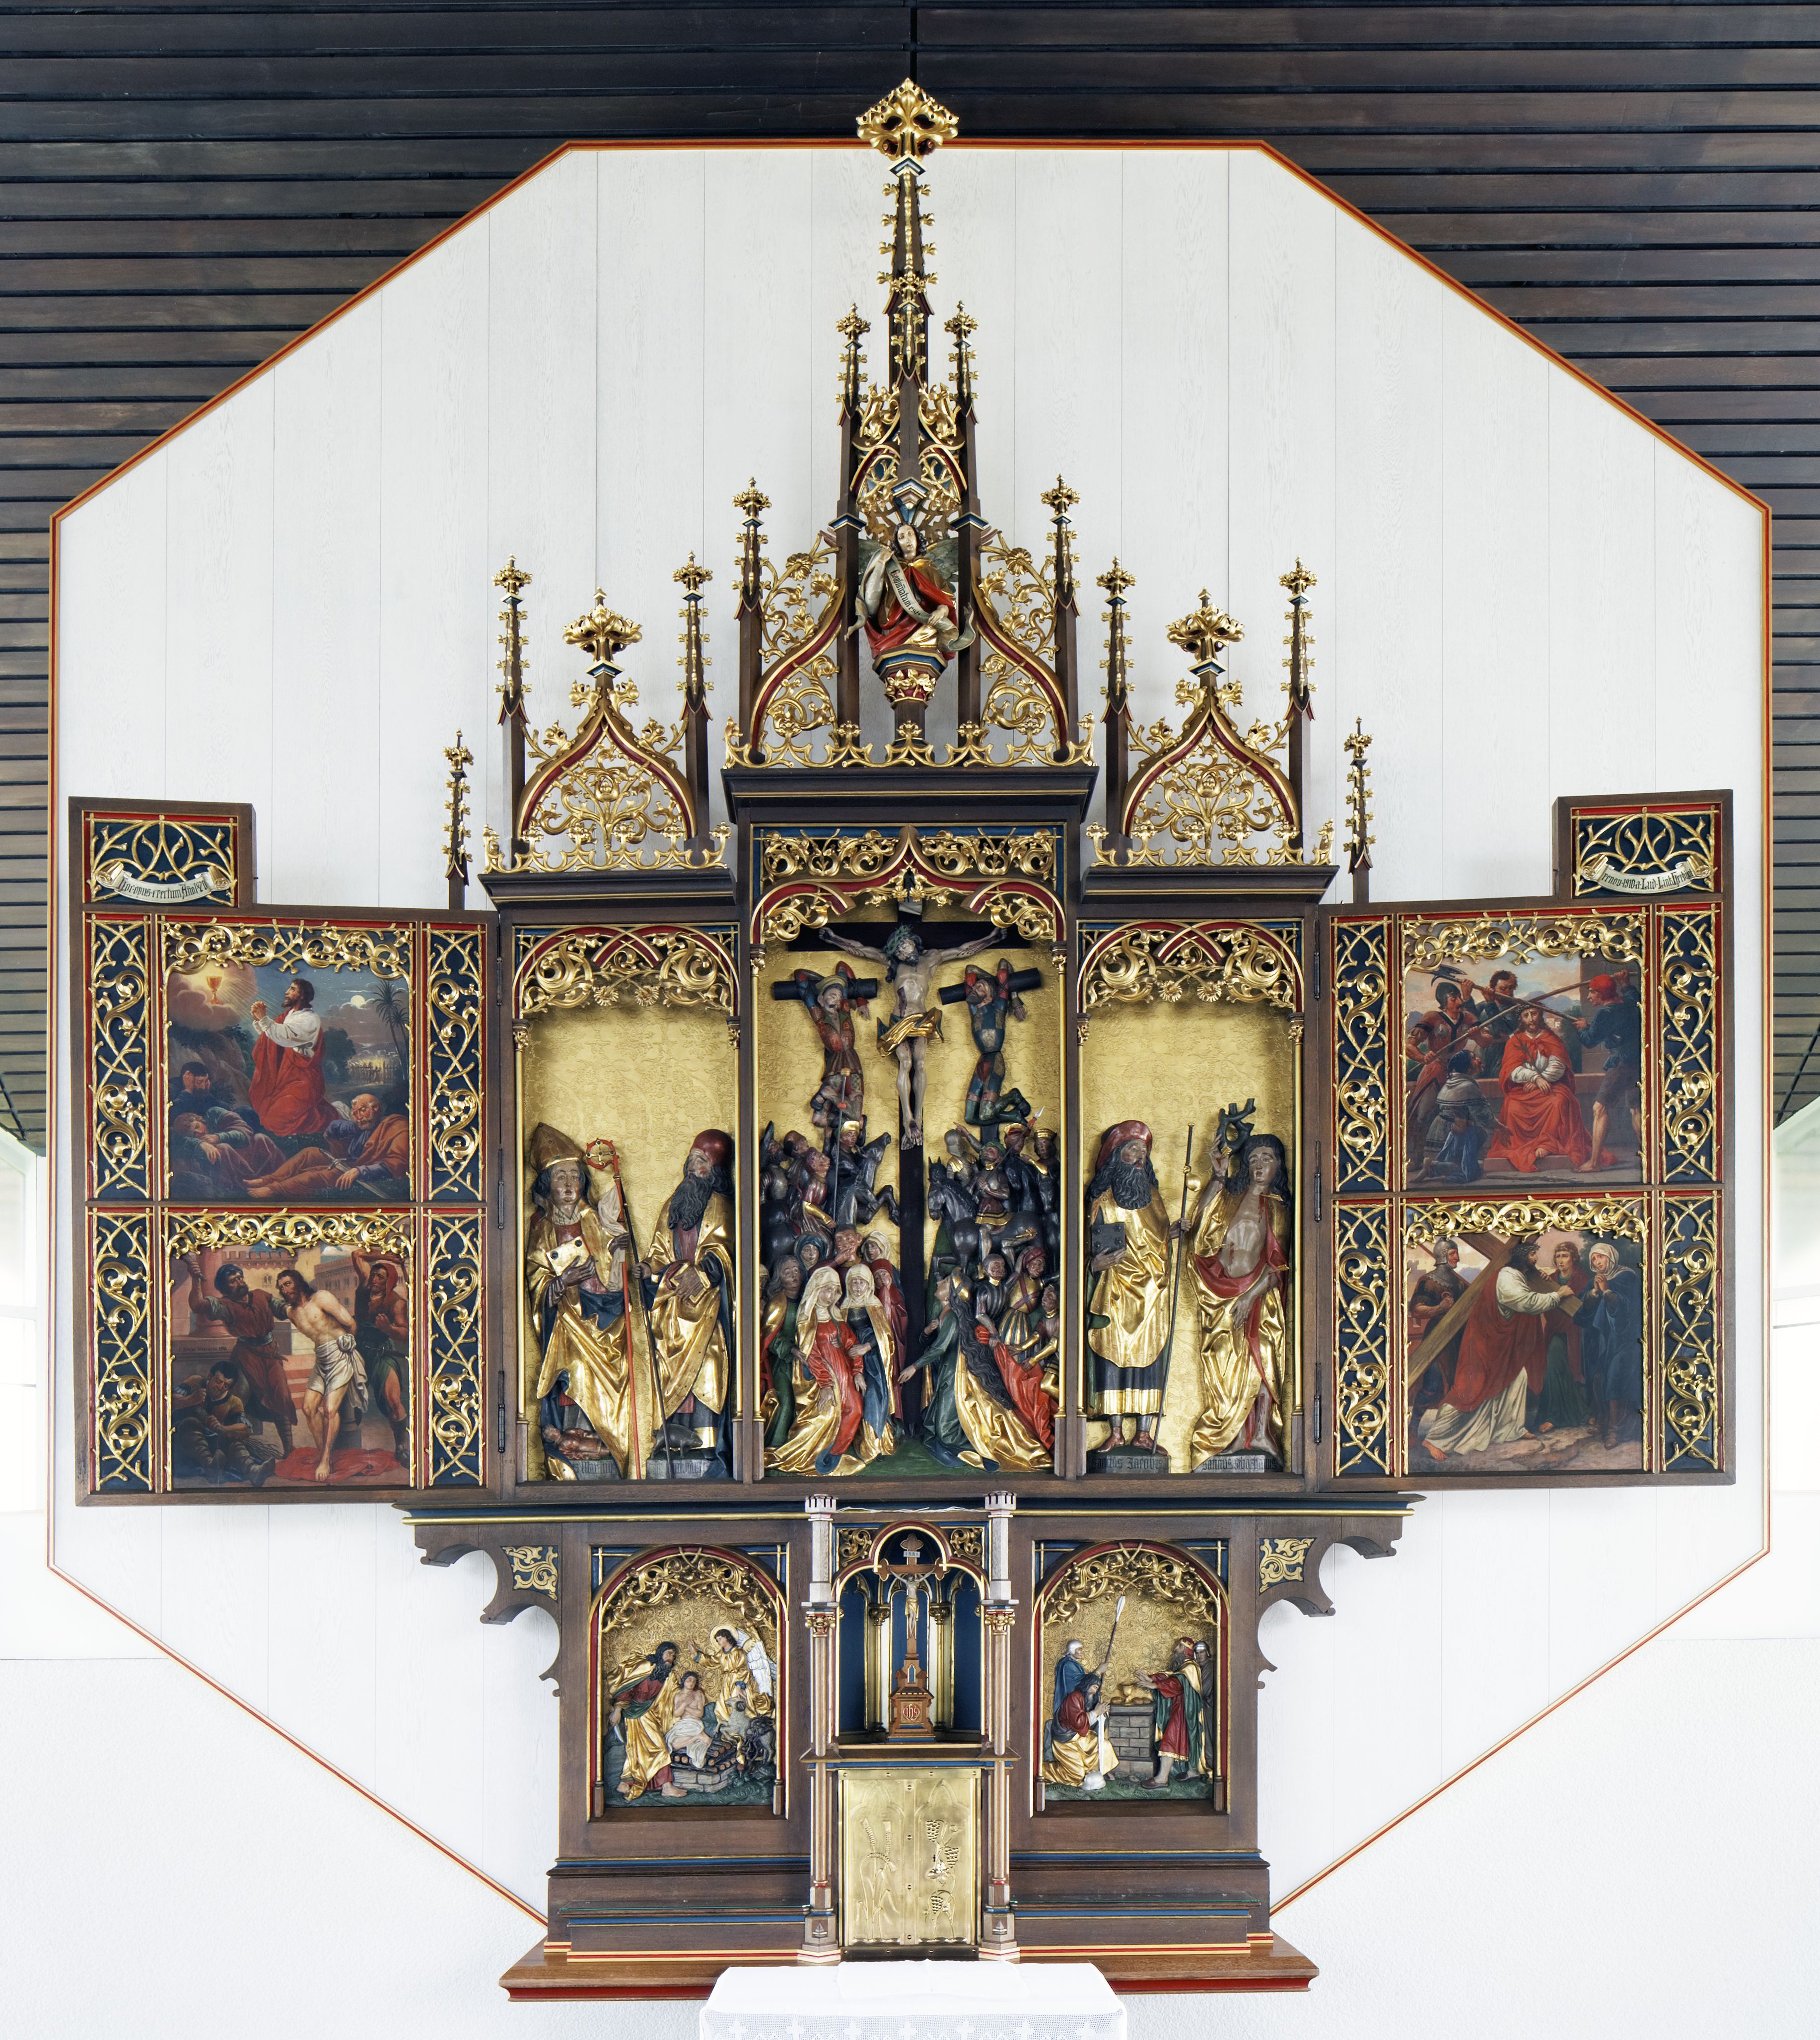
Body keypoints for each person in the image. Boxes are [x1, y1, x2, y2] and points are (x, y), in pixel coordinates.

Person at [525, 1128, 657, 1480]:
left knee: (615, 1377)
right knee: (576, 1371)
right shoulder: (542, 1228)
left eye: (574, 1176)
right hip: (569, 1319)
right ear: (548, 1184)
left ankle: (609, 1447)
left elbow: (614, 1271)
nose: (569, 1184)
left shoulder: (596, 1219)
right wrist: (562, 1281)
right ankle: (574, 1445)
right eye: (560, 1177)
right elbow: (536, 1281)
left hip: (608, 1314)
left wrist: (620, 1253)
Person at [822, 916, 997, 1149]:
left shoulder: (931, 959)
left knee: (921, 1062)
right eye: (899, 952)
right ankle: (908, 1118)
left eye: (905, 946)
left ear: (913, 942)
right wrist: (835, 939)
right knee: (905, 1062)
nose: (903, 953)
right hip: (899, 1020)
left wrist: (991, 939)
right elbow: (863, 951)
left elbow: (961, 951)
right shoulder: (894, 964)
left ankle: (919, 1117)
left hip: (922, 1020)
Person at [1184, 1131, 1294, 1467]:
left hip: (1259, 1293)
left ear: (1279, 1166)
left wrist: (1251, 1297)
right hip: (1219, 1292)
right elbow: (1197, 1226)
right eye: (1254, 1159)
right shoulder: (1231, 1198)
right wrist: (1218, 1177)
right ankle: (1231, 1436)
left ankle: (1260, 1433)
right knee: (1222, 1365)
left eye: (1267, 1159)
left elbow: (1279, 1264)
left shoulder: (1278, 1207)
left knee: (1261, 1360)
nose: (1260, 1165)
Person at [1416, 1238, 1576, 1462]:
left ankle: (1510, 1428)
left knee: (1519, 1377)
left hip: (1503, 1342)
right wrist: (1557, 1295)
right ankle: (1435, 1438)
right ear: (1522, 1258)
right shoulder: (1507, 1277)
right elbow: (1525, 1302)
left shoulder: (1519, 1275)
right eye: (1532, 1255)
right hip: (1486, 1342)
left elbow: (1528, 1290)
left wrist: (1542, 1279)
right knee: (1471, 1390)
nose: (1536, 1259)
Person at [642, 1131, 737, 1463]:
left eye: (703, 1162)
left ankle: (706, 1439)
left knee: (709, 1360)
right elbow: (659, 1249)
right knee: (663, 1361)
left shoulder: (720, 1205)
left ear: (714, 1171)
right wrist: (646, 1268)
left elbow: (725, 1251)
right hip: (670, 1300)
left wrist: (704, 1272)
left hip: (705, 1300)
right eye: (693, 1159)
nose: (694, 1167)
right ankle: (669, 1435)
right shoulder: (674, 1204)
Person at [1085, 1122, 1178, 1453]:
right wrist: (1094, 1266)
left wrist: (1173, 1234)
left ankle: (1144, 1432)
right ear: (1116, 1155)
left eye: (1144, 1151)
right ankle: (1115, 1432)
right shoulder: (1101, 1200)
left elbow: (1159, 1240)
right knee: (1112, 1355)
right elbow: (1084, 1248)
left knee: (1149, 1360)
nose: (1140, 1157)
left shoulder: (1153, 1197)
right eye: (1133, 1149)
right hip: (1114, 1289)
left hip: (1152, 1292)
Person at [180, 1256, 297, 1458]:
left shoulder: (261, 1296)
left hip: (270, 1355)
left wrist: (299, 1308)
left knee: (282, 1396)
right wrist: (196, 1279)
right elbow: (198, 1305)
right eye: (233, 1281)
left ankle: (289, 1449)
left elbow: (284, 1309)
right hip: (246, 1357)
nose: (240, 1282)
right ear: (225, 1288)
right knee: (236, 1399)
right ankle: (226, 1449)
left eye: (240, 1278)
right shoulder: (225, 1306)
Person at [765, 1266, 867, 1477]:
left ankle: (835, 1453)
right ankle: (810, 1454)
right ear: (816, 1289)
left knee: (855, 1409)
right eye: (827, 1290)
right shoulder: (807, 1319)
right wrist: (826, 1385)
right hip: (822, 1376)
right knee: (825, 1414)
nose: (831, 1296)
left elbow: (852, 1343)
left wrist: (858, 1371)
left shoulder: (836, 1317)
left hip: (843, 1372)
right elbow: (811, 1354)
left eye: (834, 1291)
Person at [273, 1266, 367, 1485]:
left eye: (288, 1284)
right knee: (308, 1408)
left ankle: (325, 1460)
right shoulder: (292, 1313)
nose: (285, 1290)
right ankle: (321, 1451)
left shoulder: (322, 1298)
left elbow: (351, 1324)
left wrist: (349, 1342)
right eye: (281, 1287)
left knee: (330, 1410)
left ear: (298, 1282)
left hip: (339, 1355)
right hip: (321, 1359)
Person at [242, 1091, 409, 1200]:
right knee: (309, 1153)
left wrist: (360, 1171)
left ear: (376, 1107)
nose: (359, 1117)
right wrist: (354, 1127)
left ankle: (275, 1189)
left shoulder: (396, 1126)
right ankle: (268, 1179)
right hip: (349, 1163)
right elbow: (333, 1130)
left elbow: (398, 1164)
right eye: (355, 1114)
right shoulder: (363, 1126)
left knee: (315, 1177)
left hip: (359, 1170)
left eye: (363, 1110)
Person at [857, 512, 974, 666]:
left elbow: (946, 597)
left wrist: (941, 611)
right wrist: (880, 564)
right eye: (902, 537)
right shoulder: (891, 569)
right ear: (897, 544)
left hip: (925, 626)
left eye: (910, 534)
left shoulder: (928, 568)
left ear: (917, 538)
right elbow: (872, 607)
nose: (907, 540)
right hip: (894, 626)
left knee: (933, 629)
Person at [1488, 1003, 1592, 1172]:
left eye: (1534, 1014)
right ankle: (1521, 1145)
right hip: (1524, 1089)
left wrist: (1543, 1079)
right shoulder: (1515, 1041)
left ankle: (1547, 1143)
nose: (1531, 1019)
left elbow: (1559, 1066)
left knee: (1559, 1102)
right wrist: (1535, 1078)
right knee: (1513, 1107)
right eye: (1526, 1015)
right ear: (1521, 1020)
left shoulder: (1551, 1039)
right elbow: (1512, 1070)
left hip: (1550, 1086)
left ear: (1540, 1015)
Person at [247, 975, 336, 1139]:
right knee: (264, 1113)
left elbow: (285, 1036)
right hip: (285, 1076)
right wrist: (260, 1021)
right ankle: (317, 1113)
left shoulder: (310, 1019)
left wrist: (265, 1019)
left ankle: (328, 1119)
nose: (287, 992)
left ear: (302, 996)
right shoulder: (289, 1015)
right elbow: (272, 1038)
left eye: (293, 989)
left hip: (303, 1078)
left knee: (275, 1121)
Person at [1573, 973, 1643, 1172]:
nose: (1589, 997)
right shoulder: (1629, 1003)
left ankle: (1594, 1163)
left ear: (1602, 993)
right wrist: (1626, 983)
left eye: (1593, 992)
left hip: (1621, 1064)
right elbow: (1632, 995)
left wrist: (1582, 1028)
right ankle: (1650, 1155)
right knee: (1636, 1110)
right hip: (1638, 1063)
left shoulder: (1605, 1013)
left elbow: (1590, 1041)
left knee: (1599, 1109)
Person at [1580, 1241, 1644, 1448]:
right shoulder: (1596, 1281)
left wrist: (1607, 1291)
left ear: (1611, 1257)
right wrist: (1593, 1294)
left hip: (1624, 1340)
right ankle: (1604, 1420)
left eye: (1601, 1257)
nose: (1598, 1262)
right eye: (1594, 1259)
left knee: (1616, 1379)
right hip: (1602, 1341)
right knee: (1599, 1378)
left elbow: (1630, 1309)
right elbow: (1582, 1312)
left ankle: (1616, 1430)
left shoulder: (1627, 1277)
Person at [959, 959, 1034, 1131]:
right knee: (970, 1117)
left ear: (990, 995)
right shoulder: (973, 1008)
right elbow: (970, 969)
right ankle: (1013, 1116)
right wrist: (989, 982)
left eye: (980, 987)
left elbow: (1004, 964)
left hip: (995, 1061)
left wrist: (1014, 998)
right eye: (975, 986)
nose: (975, 989)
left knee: (986, 1115)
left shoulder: (999, 1006)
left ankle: (1013, 1096)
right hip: (982, 1061)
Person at [171, 1361, 275, 1486]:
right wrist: (190, 1400)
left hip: (215, 1445)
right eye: (218, 1382)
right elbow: (169, 1402)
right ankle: (210, 1467)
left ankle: (253, 1471)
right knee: (191, 1422)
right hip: (185, 1441)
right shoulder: (195, 1382)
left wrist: (223, 1428)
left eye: (226, 1385)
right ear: (210, 1376)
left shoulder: (234, 1402)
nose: (221, 1387)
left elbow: (245, 1429)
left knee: (233, 1440)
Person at [351, 1249, 410, 1465]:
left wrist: (389, 1329)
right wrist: (389, 1257)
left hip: (382, 1351)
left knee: (394, 1401)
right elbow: (357, 1254)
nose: (375, 1279)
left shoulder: (397, 1303)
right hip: (357, 1349)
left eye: (381, 1277)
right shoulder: (364, 1289)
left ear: (389, 1282)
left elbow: (405, 1334)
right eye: (374, 1275)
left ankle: (401, 1447)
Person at [606, 1642, 685, 1800]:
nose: (672, 1657)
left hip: (651, 1714)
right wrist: (618, 1709)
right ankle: (667, 1786)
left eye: (674, 1655)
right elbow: (627, 1687)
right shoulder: (645, 1666)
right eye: (669, 1653)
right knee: (659, 1749)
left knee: (637, 1751)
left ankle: (626, 1782)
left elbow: (675, 1694)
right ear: (660, 1653)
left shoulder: (669, 1676)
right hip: (634, 1714)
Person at [843, 1262, 898, 1464]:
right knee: (855, 1398)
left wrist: (867, 1347)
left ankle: (878, 1443)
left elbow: (885, 1334)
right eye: (854, 1283)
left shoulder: (874, 1305)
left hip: (873, 1359)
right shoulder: (843, 1307)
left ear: (869, 1285)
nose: (858, 1287)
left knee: (874, 1395)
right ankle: (862, 1442)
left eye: (862, 1283)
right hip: (850, 1357)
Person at [1537, 1240, 1592, 1433]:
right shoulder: (1550, 1278)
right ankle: (1558, 1415)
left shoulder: (1582, 1280)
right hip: (1555, 1331)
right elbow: (1546, 1305)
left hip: (1577, 1333)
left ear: (1573, 1258)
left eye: (1565, 1256)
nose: (1561, 1260)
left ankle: (1576, 1414)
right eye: (1558, 1256)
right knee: (1552, 1369)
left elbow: (1585, 1310)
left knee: (1567, 1371)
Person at [1141, 1637, 1209, 1788]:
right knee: (1187, 1740)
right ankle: (1193, 1771)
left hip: (1186, 1711)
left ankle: (1162, 1779)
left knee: (1170, 1740)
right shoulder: (1185, 1667)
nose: (1175, 1649)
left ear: (1186, 1650)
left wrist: (1156, 1686)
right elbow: (1170, 1675)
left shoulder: (1190, 1667)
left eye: (1179, 1646)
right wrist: (1151, 1679)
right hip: (1180, 1709)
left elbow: (1178, 1683)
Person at [1041, 1662, 1116, 1792]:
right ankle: (1043, 1770)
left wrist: (1102, 1713)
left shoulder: (1086, 1699)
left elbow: (1091, 1722)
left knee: (1105, 1746)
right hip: (1067, 1741)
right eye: (1094, 1688)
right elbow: (1078, 1723)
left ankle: (1100, 1772)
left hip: (1081, 1738)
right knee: (1078, 1776)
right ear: (1087, 1686)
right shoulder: (1074, 1698)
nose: (1095, 1692)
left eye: (1097, 1689)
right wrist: (1096, 1712)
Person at [760, 1256, 804, 1453]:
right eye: (788, 1273)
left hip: (807, 1362)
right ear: (780, 1278)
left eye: (796, 1271)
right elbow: (769, 1336)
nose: (794, 1276)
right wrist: (791, 1349)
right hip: (783, 1363)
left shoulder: (807, 1298)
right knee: (786, 1402)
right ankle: (776, 1448)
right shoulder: (778, 1302)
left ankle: (800, 1447)